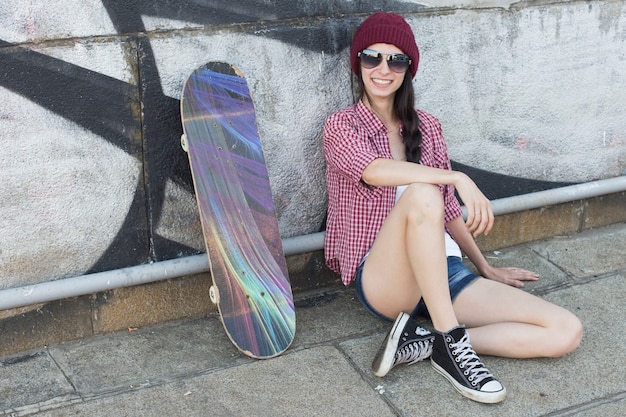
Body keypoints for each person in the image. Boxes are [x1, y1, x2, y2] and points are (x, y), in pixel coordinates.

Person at [322, 12, 583, 404]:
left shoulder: (426, 126)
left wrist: (485, 266)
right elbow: (374, 171)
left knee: (565, 330)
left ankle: (429, 341)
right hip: (384, 277)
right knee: (425, 189)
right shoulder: (341, 126)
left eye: (396, 60)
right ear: (357, 62)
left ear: (408, 69)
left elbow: (445, 213)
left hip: (443, 274)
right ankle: (451, 345)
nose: (382, 68)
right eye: (372, 57)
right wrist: (457, 178)